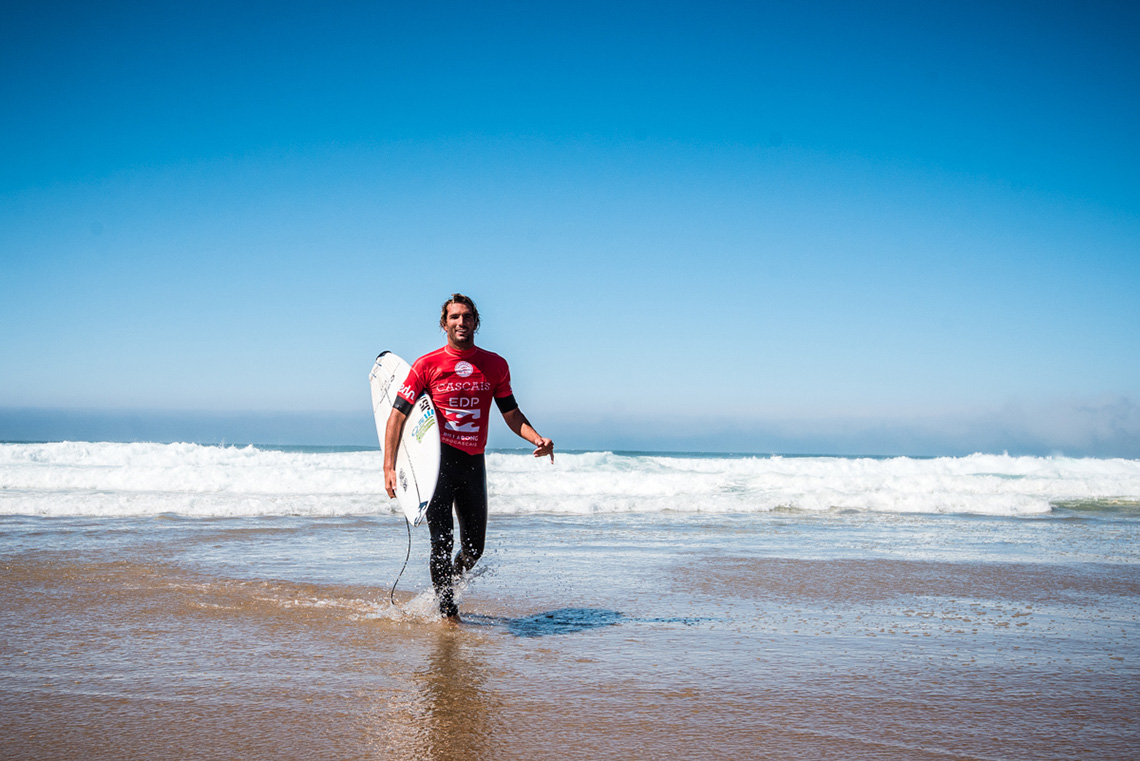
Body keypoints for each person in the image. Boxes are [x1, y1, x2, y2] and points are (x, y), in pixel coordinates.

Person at [384, 293, 554, 621]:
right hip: (438, 465)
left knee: (474, 548)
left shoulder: (495, 365)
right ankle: (448, 610)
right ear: (444, 323)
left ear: (476, 321)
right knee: (441, 544)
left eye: (467, 317)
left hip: (474, 463)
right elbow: (397, 416)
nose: (461, 323)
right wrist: (389, 466)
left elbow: (511, 412)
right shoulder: (427, 365)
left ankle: (445, 591)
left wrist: (537, 438)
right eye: (454, 317)